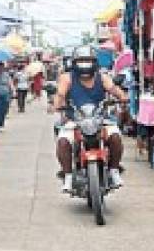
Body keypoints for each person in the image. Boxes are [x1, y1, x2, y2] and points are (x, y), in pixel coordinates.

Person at [54, 46, 128, 193]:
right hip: (74, 119)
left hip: (99, 118)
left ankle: (114, 171)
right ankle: (68, 175)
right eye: (81, 61)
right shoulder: (67, 78)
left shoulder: (103, 77)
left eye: (88, 61)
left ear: (94, 62)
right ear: (74, 63)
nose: (85, 64)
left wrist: (122, 97)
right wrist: (58, 104)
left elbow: (114, 90)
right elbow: (60, 94)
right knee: (63, 141)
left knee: (115, 137)